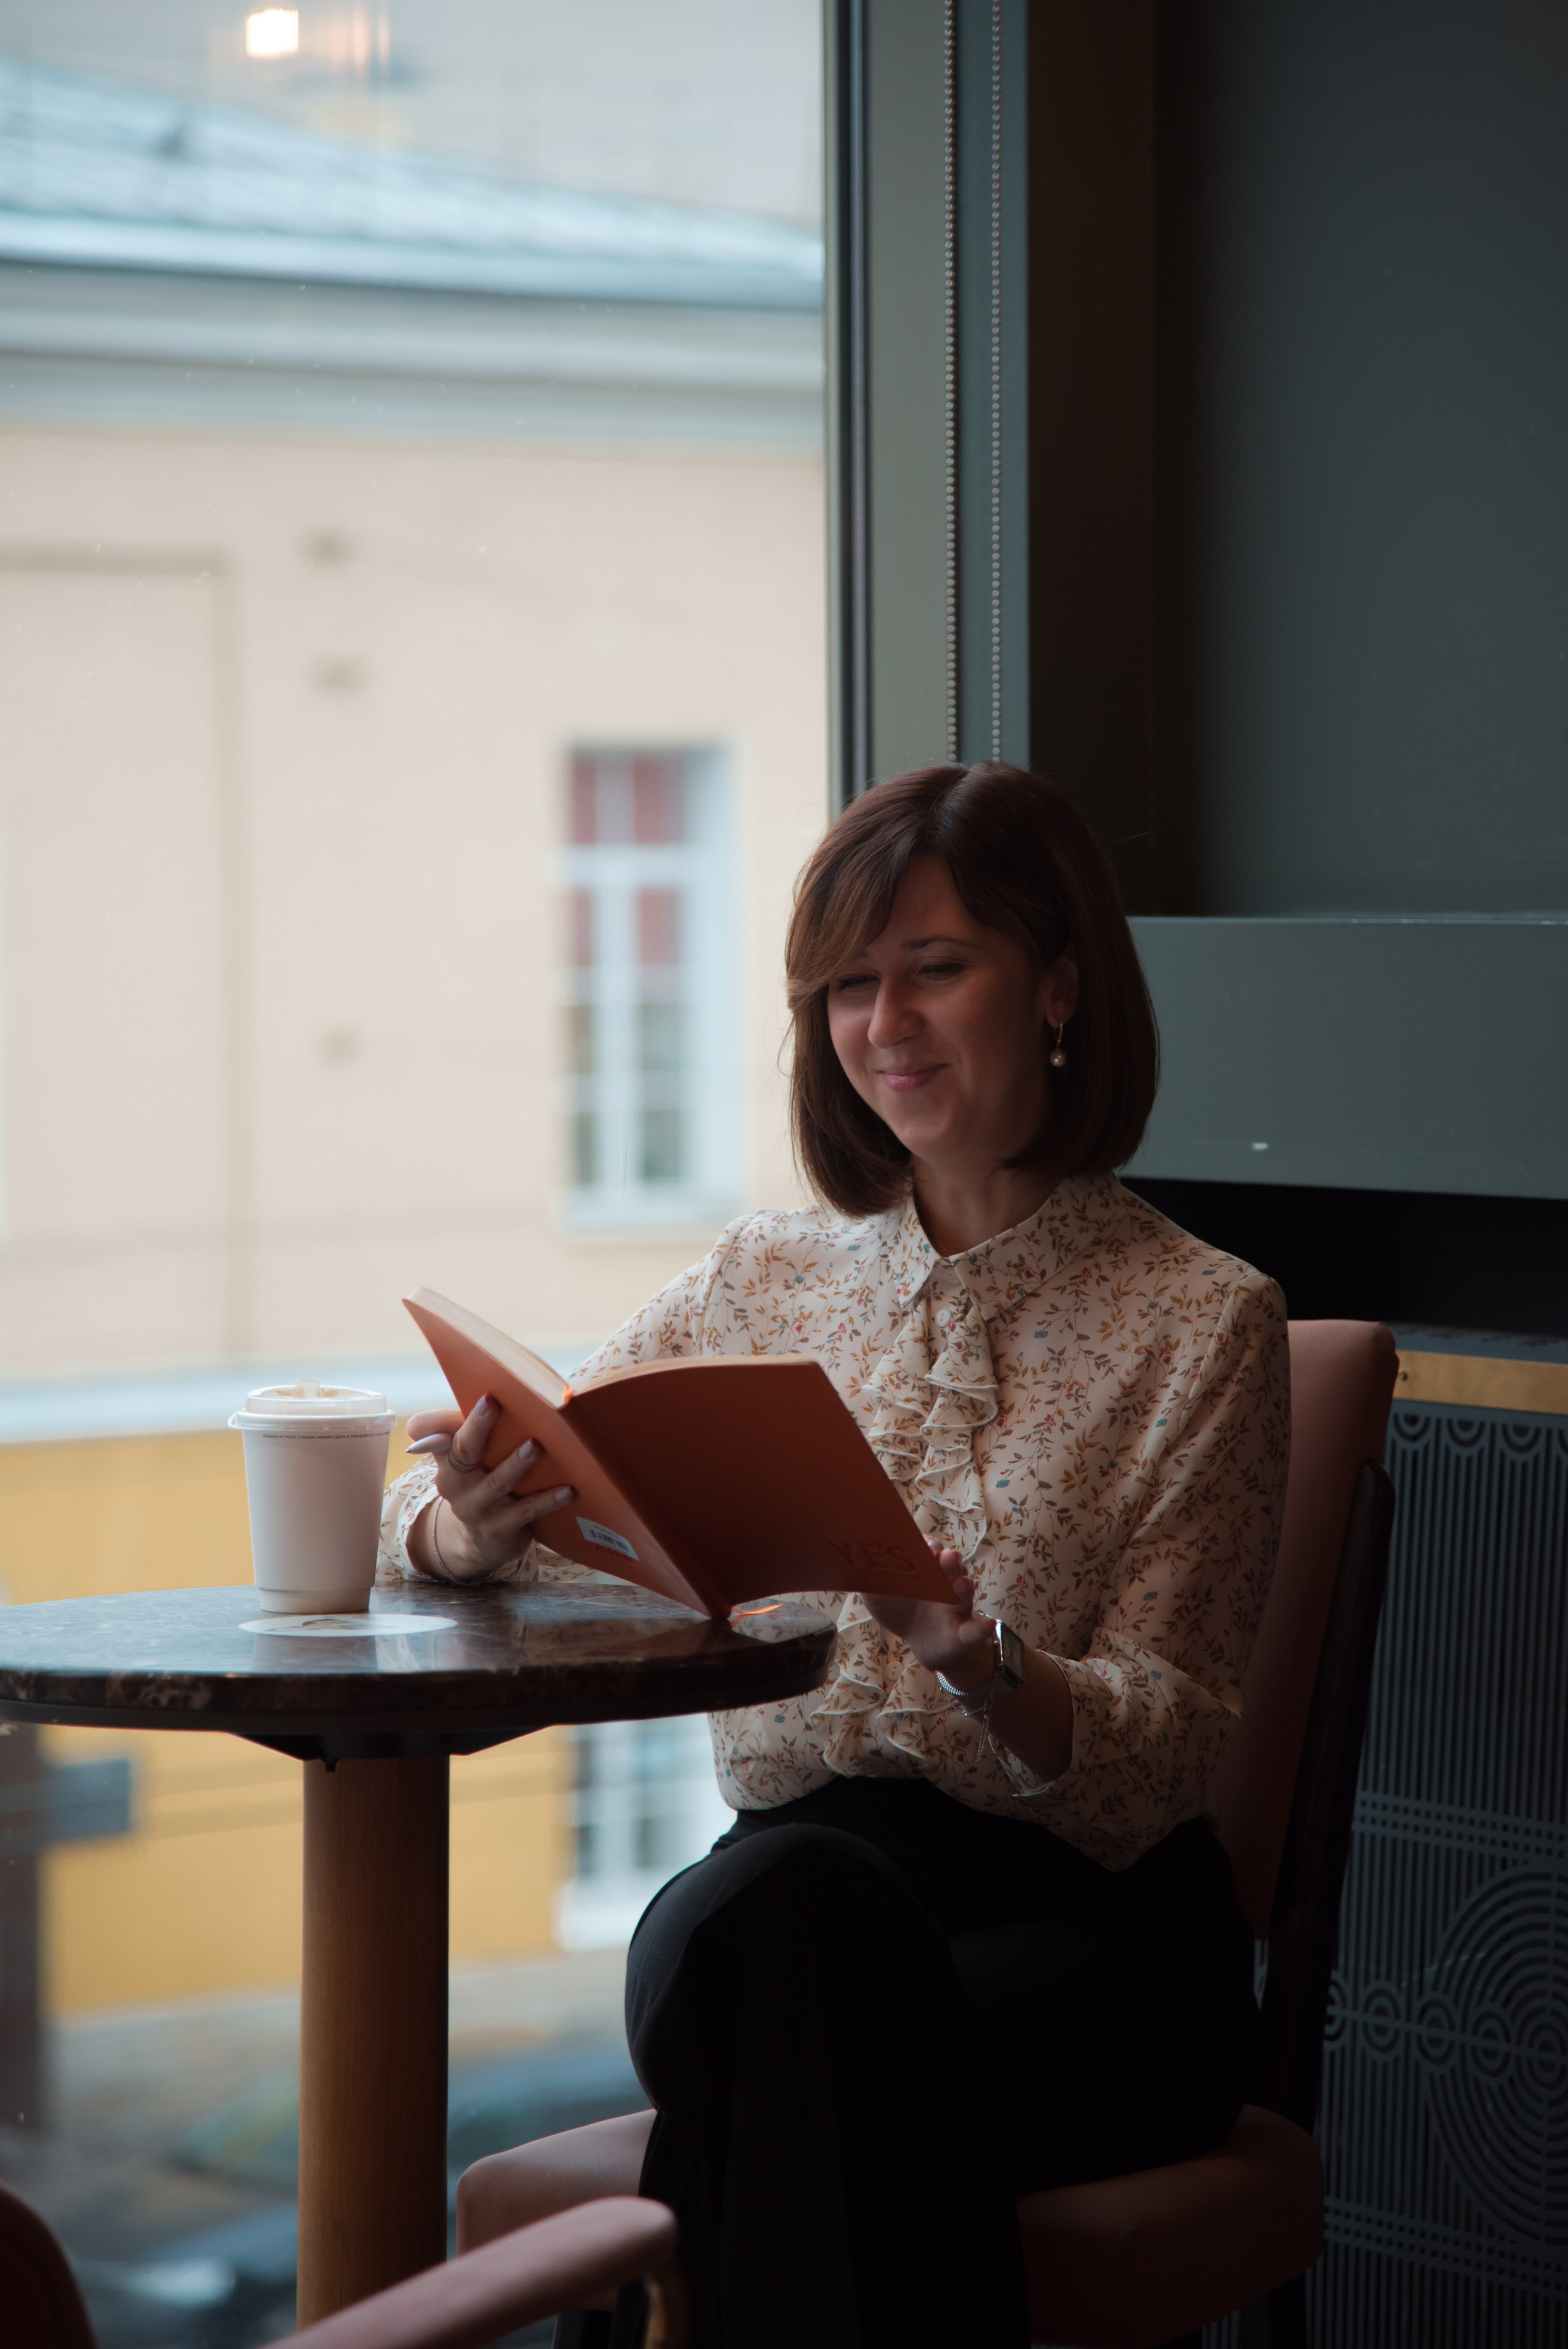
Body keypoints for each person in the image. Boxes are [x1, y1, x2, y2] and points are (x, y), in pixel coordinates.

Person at [379, 762, 1291, 2349]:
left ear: (1060, 980)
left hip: (1085, 1942)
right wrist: (465, 1519)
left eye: (936, 968)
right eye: (849, 988)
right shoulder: (765, 1278)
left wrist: (975, 1658)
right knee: (791, 1928)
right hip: (782, 1895)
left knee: (790, 2044)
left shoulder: (1202, 1319)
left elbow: (1163, 1757)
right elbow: (510, 1513)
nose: (887, 1024)